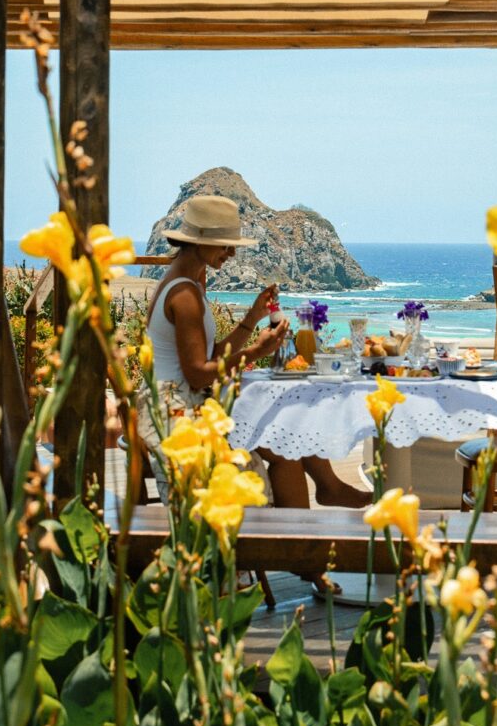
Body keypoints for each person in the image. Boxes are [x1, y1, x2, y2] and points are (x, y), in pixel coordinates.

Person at [137, 195, 368, 511]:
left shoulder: (189, 283)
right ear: (200, 242)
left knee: (285, 438)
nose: (231, 253)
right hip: (176, 411)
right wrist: (254, 352)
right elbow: (196, 374)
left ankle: (315, 511)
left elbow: (210, 353)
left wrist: (251, 319)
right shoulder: (184, 295)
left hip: (188, 400)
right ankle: (296, 539)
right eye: (225, 245)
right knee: (283, 438)